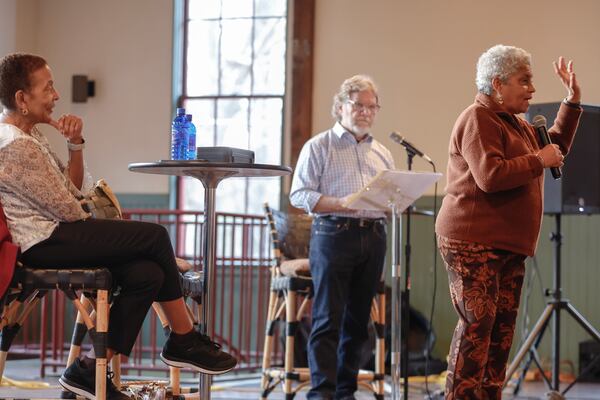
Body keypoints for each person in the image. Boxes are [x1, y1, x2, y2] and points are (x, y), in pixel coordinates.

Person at [0, 53, 237, 400]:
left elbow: (72, 190)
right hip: (42, 240)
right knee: (155, 236)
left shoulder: (31, 135)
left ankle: (85, 371)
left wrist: (75, 144)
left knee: (147, 273)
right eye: (48, 87)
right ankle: (184, 337)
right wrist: (91, 214)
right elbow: (69, 208)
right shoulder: (15, 143)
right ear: (22, 99)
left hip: (58, 230)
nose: (56, 95)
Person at [435, 44, 582, 400]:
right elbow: (490, 175)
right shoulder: (478, 118)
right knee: (477, 330)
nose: (532, 89)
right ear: (498, 83)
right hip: (473, 242)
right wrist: (538, 159)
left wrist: (572, 101)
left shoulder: (514, 123)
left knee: (500, 333)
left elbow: (553, 148)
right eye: (525, 81)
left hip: (506, 245)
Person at [289, 75, 394, 400]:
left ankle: (345, 390)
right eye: (358, 105)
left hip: (374, 236)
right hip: (334, 234)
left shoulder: (383, 153)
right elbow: (299, 194)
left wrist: (395, 203)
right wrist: (341, 203)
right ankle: (322, 392)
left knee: (358, 320)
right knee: (326, 318)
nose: (365, 112)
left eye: (371, 106)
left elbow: (390, 197)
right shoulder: (320, 145)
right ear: (340, 107)